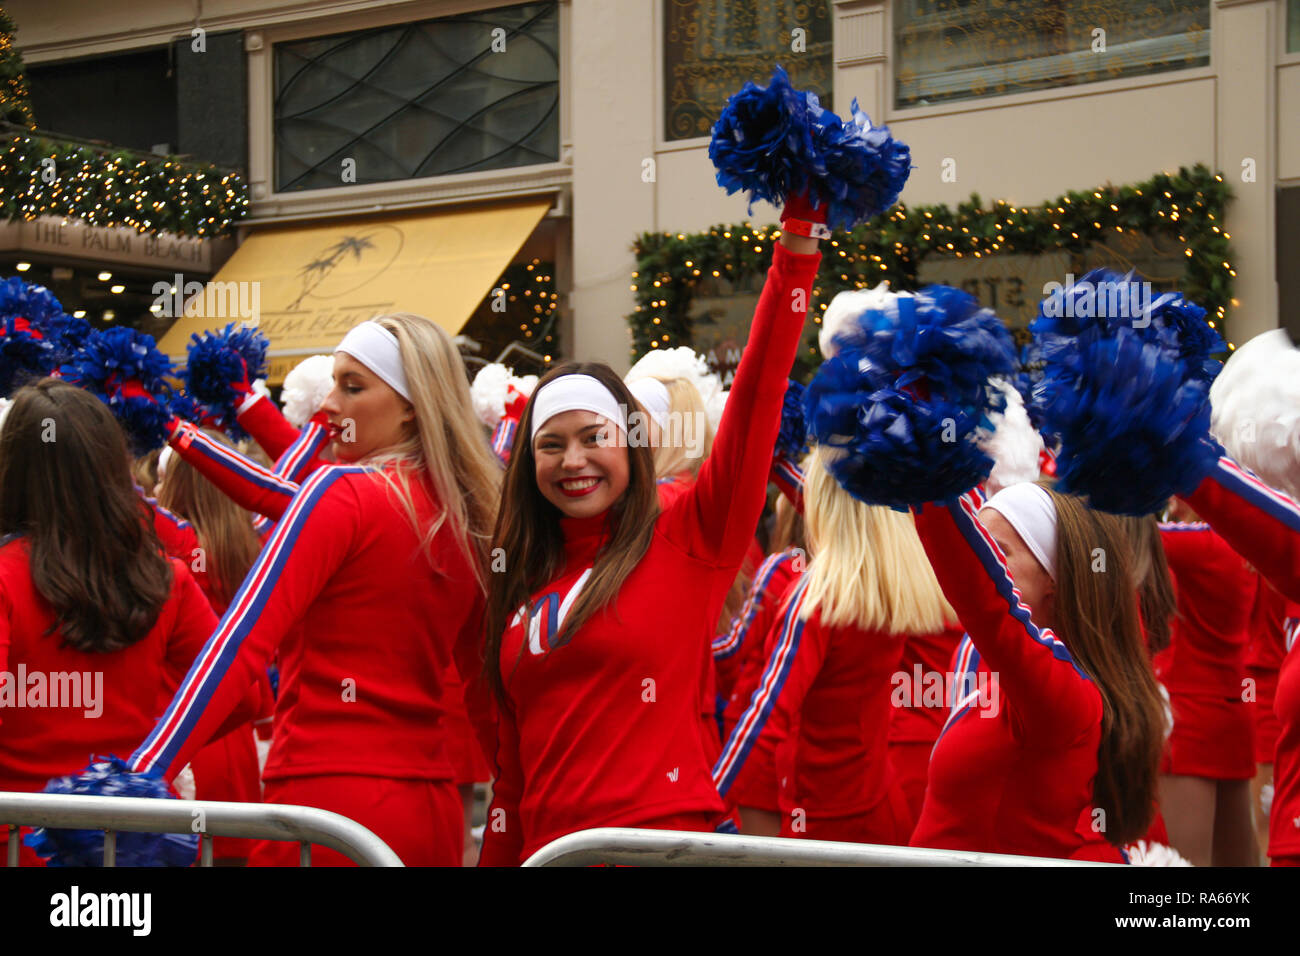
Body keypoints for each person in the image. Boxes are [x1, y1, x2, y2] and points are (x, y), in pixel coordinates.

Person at [478, 226, 822, 866]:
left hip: (662, 849)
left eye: (593, 437)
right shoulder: (520, 571)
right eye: (550, 445)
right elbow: (512, 779)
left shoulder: (686, 532)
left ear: (633, 444)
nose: (573, 460)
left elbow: (758, 392)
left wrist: (797, 248)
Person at [124, 313, 501, 866]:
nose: (328, 406)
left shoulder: (340, 493)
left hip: (323, 809)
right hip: (429, 814)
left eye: (353, 387)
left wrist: (141, 773)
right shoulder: (468, 515)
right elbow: (484, 689)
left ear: (412, 403)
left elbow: (240, 643)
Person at [0, 381, 219, 866]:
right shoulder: (167, 575)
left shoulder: (5, 576)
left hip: (22, 846)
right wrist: (143, 764)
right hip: (136, 844)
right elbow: (237, 695)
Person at [908, 482, 1166, 860]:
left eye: (1000, 553)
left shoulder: (1064, 690)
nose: (989, 563)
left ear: (1053, 578)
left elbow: (981, 594)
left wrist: (926, 474)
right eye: (984, 549)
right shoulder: (1017, 672)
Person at [716, 448, 960, 844]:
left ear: (820, 505)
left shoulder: (816, 598)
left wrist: (712, 803)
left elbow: (766, 715)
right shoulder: (895, 583)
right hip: (882, 806)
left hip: (820, 821)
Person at [155, 431, 268, 865]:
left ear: (183, 485)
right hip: (236, 735)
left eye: (164, 479)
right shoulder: (256, 545)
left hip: (185, 738)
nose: (158, 490)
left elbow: (126, 504)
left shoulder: (178, 549)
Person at [1154, 500, 1259, 866]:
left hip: (1190, 721)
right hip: (1231, 715)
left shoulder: (1201, 540)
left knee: (1182, 870)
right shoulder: (1246, 540)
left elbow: (1123, 534)